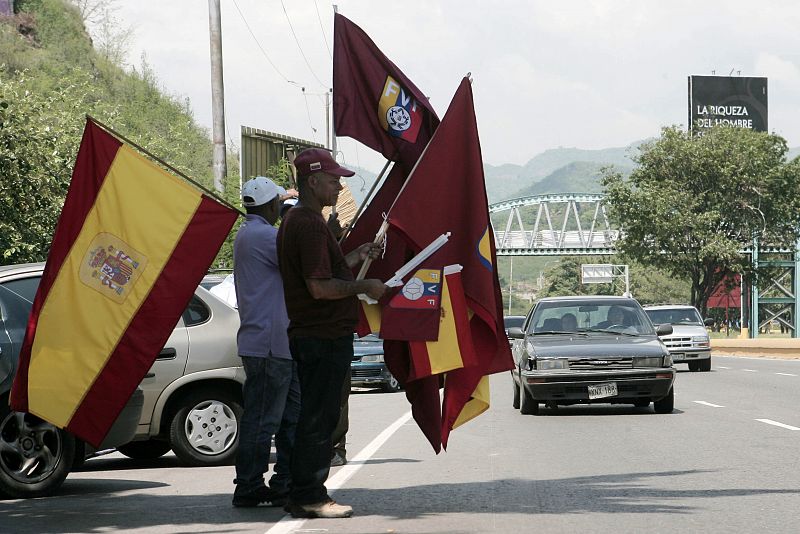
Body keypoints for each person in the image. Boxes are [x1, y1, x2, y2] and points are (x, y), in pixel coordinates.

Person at [277, 148, 387, 519]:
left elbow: (326, 271)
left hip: (318, 334)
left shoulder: (305, 222)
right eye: (333, 179)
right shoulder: (308, 224)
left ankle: (301, 491)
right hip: (320, 336)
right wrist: (365, 285)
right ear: (313, 181)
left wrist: (353, 257)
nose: (339, 186)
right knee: (318, 419)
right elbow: (320, 288)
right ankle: (310, 495)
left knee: (316, 416)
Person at [231, 176, 301, 508]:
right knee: (264, 419)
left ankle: (282, 480)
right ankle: (249, 484)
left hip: (270, 342)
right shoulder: (264, 236)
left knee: (289, 416)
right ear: (271, 205)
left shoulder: (248, 233)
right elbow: (301, 261)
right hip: (270, 343)